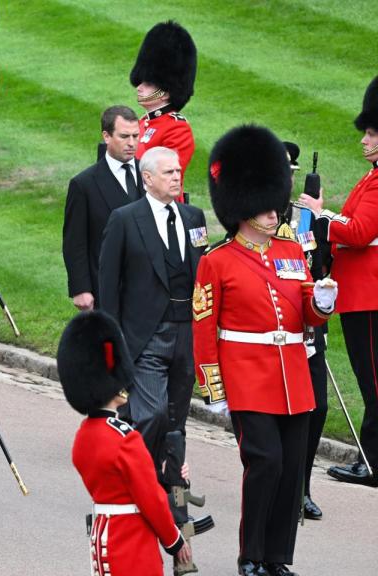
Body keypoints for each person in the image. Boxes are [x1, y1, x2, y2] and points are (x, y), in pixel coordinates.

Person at [193, 125, 336, 576]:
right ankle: (250, 555)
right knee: (265, 463)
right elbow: (204, 330)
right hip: (246, 377)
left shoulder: (291, 252)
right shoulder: (216, 261)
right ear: (241, 207)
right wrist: (213, 388)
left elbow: (306, 312)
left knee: (291, 469)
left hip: (292, 375)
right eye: (263, 206)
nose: (274, 212)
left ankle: (276, 558)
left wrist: (322, 302)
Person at [98, 146, 211, 561]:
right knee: (150, 415)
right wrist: (110, 349)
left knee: (176, 423)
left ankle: (173, 505)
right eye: (168, 172)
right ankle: (136, 493)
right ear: (147, 178)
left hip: (187, 335)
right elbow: (108, 288)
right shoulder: (125, 220)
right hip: (143, 338)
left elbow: (204, 273)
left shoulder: (193, 218)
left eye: (179, 171)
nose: (176, 177)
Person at [57, 310, 192, 576]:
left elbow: (119, 482)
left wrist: (162, 474)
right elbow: (149, 498)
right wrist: (175, 541)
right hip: (133, 541)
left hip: (103, 536)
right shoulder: (125, 438)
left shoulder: (84, 437)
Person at [301, 75, 378, 488]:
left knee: (374, 381)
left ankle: (373, 461)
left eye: (371, 133)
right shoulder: (371, 177)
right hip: (363, 292)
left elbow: (361, 231)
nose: (364, 141)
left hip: (369, 295)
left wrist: (319, 214)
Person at [277, 141, 330, 518]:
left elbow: (323, 264)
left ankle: (303, 486)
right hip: (276, 329)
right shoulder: (253, 216)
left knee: (319, 408)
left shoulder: (302, 218)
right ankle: (282, 486)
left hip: (309, 327)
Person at [63, 105, 143, 311]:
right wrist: (81, 288)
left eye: (136, 136)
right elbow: (75, 241)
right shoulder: (84, 184)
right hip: (106, 290)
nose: (132, 143)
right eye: (124, 136)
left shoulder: (150, 174)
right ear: (106, 136)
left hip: (147, 290)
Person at [130, 21, 196, 200]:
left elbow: (166, 177)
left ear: (166, 91)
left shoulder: (177, 129)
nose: (139, 87)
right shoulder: (142, 122)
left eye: (148, 83)